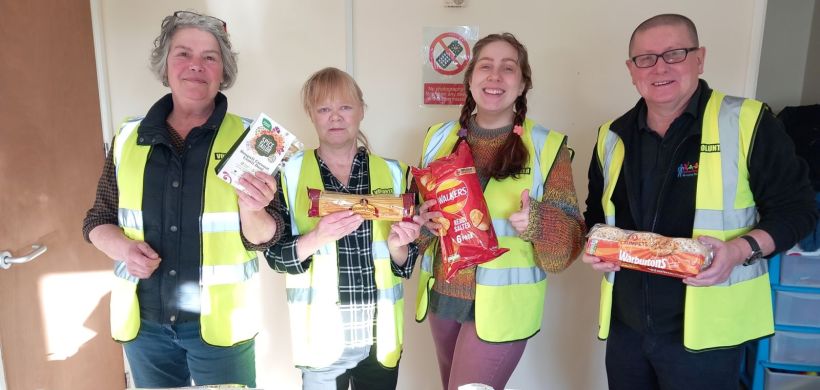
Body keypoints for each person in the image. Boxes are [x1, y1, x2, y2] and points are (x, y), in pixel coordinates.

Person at [582, 14, 819, 390]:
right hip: (627, 331)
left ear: (699, 58)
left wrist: (739, 249)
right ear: (631, 70)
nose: (659, 67)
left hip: (709, 337)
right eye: (645, 58)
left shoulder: (747, 121)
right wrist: (594, 244)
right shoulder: (611, 136)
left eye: (674, 53)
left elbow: (799, 211)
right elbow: (596, 218)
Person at [82, 11, 282, 388]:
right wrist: (124, 249)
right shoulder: (128, 138)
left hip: (221, 329)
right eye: (183, 54)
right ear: (165, 65)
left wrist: (252, 208)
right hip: (146, 328)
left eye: (210, 56)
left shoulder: (254, 139)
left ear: (223, 70)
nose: (196, 66)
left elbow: (266, 238)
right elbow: (97, 220)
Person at [414, 33, 585, 390]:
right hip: (442, 300)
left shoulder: (546, 147)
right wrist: (423, 225)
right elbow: (414, 227)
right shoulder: (437, 138)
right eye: (486, 66)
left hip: (503, 307)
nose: (495, 76)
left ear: (523, 85)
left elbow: (566, 250)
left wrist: (538, 222)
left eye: (508, 69)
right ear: (470, 78)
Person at [265, 67, 422, 390]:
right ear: (311, 115)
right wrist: (317, 237)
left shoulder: (396, 175)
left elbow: (405, 265)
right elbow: (274, 255)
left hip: (380, 340)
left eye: (345, 107)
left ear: (361, 110)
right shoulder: (287, 174)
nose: (335, 118)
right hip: (322, 341)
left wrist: (399, 247)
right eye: (324, 109)